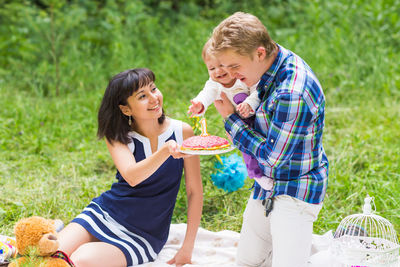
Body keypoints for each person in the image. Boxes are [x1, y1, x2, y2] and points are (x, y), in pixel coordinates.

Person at [210, 12, 329, 267]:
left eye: (235, 67)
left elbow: (272, 159)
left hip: (295, 188)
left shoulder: (291, 93)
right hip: (267, 186)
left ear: (260, 53)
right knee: (246, 262)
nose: (230, 75)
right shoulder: (272, 62)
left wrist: (231, 119)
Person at [58, 68, 203, 267]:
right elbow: (133, 177)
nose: (154, 98)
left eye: (154, 89)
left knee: (80, 260)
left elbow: (194, 191)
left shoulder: (182, 132)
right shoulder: (118, 136)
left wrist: (187, 247)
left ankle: (57, 230)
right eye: (142, 96)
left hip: (143, 235)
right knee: (49, 254)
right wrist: (165, 151)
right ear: (126, 109)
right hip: (106, 213)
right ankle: (55, 232)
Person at [188, 39, 267, 185]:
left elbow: (258, 91)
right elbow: (206, 94)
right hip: (237, 124)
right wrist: (199, 104)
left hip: (256, 117)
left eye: (222, 66)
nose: (217, 71)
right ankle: (257, 176)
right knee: (247, 150)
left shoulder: (241, 77)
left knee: (262, 145)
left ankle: (268, 167)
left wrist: (249, 103)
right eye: (211, 69)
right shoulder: (214, 84)